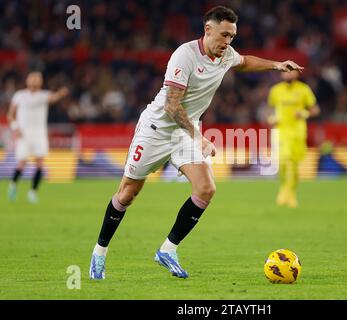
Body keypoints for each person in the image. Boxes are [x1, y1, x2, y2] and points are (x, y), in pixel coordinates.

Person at [89, 5, 304, 280]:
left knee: (205, 189)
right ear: (208, 30)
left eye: (232, 37)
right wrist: (200, 137)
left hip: (186, 132)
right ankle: (99, 253)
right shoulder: (184, 56)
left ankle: (167, 250)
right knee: (127, 194)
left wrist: (276, 65)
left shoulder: (226, 54)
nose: (227, 42)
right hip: (157, 129)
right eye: (224, 35)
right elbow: (171, 106)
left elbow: (245, 61)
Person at [7, 71, 69, 203]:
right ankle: (13, 186)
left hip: (39, 134)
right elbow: (10, 114)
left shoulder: (43, 95)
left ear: (40, 81)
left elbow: (54, 97)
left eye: (37, 79)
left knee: (40, 163)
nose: (35, 81)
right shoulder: (20, 95)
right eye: (32, 79)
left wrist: (61, 93)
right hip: (23, 134)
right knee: (21, 163)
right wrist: (15, 127)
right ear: (27, 81)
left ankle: (33, 192)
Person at [267, 70, 320, 208]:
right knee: (283, 162)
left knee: (293, 165)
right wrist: (271, 117)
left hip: (297, 132)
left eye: (291, 72)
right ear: (281, 74)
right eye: (285, 72)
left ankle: (289, 193)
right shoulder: (275, 90)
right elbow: (270, 109)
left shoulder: (304, 89)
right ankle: (286, 191)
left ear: (296, 74)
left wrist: (304, 113)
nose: (288, 75)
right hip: (280, 130)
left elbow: (315, 109)